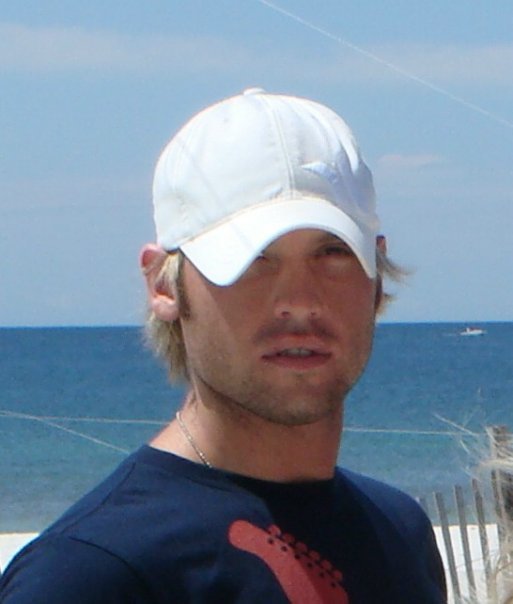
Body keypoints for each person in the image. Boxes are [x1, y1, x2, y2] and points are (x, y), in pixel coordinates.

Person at [0, 88, 447, 603]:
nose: (299, 301)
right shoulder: (91, 573)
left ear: (376, 276)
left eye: (332, 252)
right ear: (164, 285)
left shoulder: (398, 532)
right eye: (253, 258)